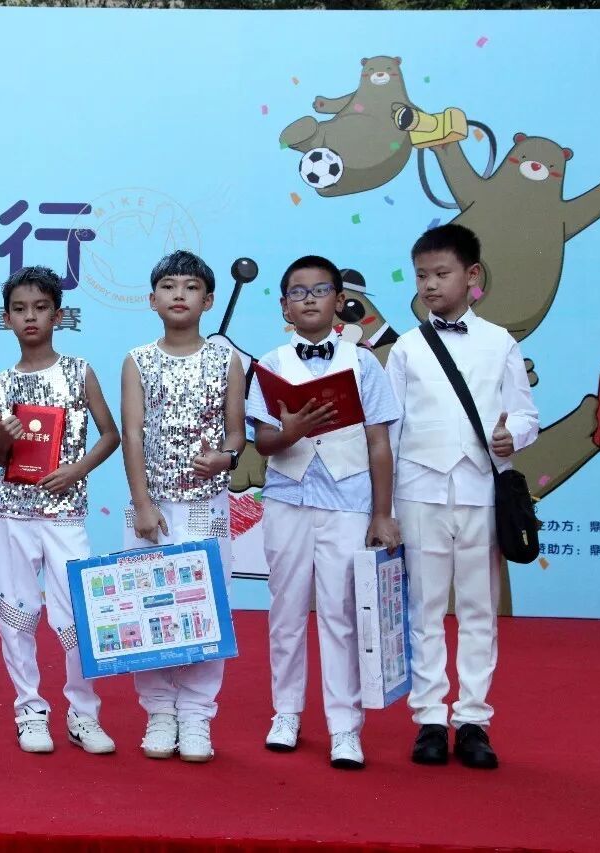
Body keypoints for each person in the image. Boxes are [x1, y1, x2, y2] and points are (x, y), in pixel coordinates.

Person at [387, 224, 538, 769]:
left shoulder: (500, 342)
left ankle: (473, 719)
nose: (430, 285)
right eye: (421, 275)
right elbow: (392, 429)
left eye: (441, 273)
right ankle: (429, 718)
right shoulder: (406, 348)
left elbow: (526, 413)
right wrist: (387, 507)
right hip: (419, 491)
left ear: (472, 275)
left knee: (478, 608)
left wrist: (512, 435)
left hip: (479, 490)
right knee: (424, 608)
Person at [246, 255, 401, 770]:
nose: (309, 299)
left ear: (339, 300)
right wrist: (290, 431)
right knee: (286, 611)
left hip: (348, 501)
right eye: (298, 291)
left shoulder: (364, 363)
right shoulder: (270, 364)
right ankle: (286, 713)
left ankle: (344, 726)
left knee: (340, 613)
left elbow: (379, 443)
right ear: (283, 306)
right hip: (288, 498)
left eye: (320, 290)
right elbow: (263, 442)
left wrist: (382, 513)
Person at [119, 250, 245, 763]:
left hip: (206, 508)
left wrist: (225, 457)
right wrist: (142, 504)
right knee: (149, 605)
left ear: (208, 300)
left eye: (190, 287)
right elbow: (132, 435)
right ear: (152, 300)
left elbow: (236, 433)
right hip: (151, 507)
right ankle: (158, 710)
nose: (179, 294)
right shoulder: (137, 359)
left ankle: (196, 714)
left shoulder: (226, 360)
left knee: (206, 606)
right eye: (168, 286)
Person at [0, 266, 120, 755]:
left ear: (58, 315)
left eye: (41, 308)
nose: (30, 317)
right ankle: (29, 709)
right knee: (16, 612)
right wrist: (6, 439)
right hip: (13, 512)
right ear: (6, 318)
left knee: (78, 613)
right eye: (20, 309)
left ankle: (83, 714)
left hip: (65, 512)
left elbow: (110, 434)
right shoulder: (0, 383)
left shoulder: (79, 371)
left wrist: (76, 470)